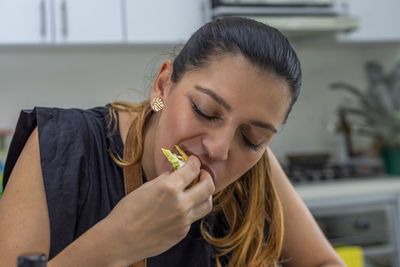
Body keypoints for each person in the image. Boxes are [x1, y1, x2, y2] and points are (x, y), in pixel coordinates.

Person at [0, 17, 345, 267]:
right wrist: (119, 242)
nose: (219, 149)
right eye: (205, 111)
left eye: (252, 138)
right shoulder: (63, 143)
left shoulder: (258, 170)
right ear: (163, 86)